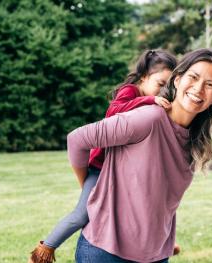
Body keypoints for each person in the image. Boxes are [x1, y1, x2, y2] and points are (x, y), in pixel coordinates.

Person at [69, 48, 212, 262]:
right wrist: (89, 190)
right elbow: (77, 139)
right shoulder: (149, 118)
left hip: (155, 255)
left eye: (210, 85)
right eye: (193, 77)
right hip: (105, 251)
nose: (199, 88)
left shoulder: (195, 142)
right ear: (177, 80)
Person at [29, 50, 178, 263]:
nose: (164, 91)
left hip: (123, 170)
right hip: (102, 168)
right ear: (144, 76)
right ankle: (44, 250)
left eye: (168, 87)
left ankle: (163, 243)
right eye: (160, 83)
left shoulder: (154, 103)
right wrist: (150, 100)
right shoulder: (130, 91)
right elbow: (114, 111)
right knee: (83, 213)